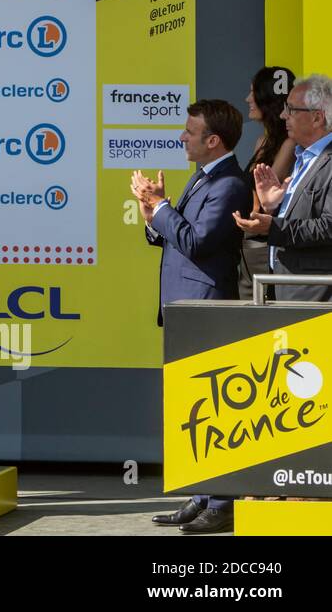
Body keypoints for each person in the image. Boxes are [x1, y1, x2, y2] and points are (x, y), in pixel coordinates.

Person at [132, 98, 251, 534]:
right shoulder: (205, 178)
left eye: (190, 131)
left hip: (207, 309)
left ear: (212, 140)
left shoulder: (230, 185)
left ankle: (221, 502)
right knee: (191, 405)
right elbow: (178, 238)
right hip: (185, 309)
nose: (182, 137)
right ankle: (202, 495)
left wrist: (163, 208)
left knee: (213, 407)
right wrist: (153, 216)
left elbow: (198, 241)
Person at [235, 73, 332, 301]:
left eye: (291, 109)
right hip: (287, 285)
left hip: (314, 293)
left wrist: (274, 227)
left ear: (317, 118)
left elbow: (329, 226)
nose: (282, 115)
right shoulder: (304, 157)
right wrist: (272, 207)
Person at [238, 66, 297, 296]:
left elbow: (264, 199)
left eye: (254, 93)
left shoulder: (290, 143)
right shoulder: (263, 141)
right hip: (249, 245)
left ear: (268, 99)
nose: (247, 99)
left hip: (267, 247)